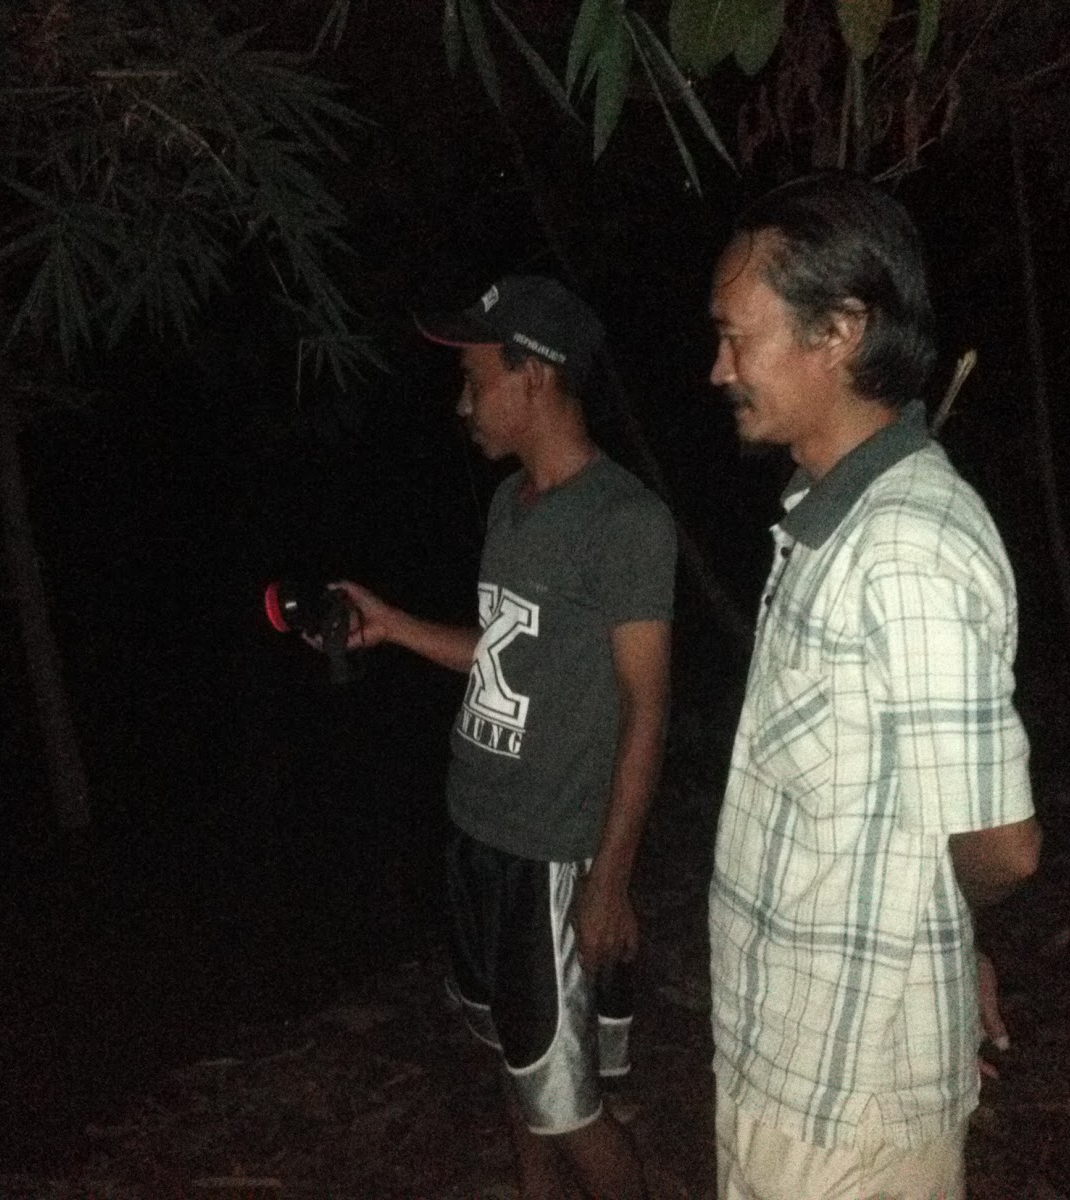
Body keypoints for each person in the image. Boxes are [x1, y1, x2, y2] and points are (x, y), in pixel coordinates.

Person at [705, 173, 1041, 1200]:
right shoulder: (829, 518)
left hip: (845, 1106)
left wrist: (942, 931)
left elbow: (1001, 844)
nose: (718, 368)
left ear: (840, 331)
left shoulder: (906, 546)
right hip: (788, 1068)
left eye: (736, 338)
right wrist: (953, 945)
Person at [333, 275, 676, 1199]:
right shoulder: (510, 507)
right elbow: (501, 652)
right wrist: (394, 626)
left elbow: (646, 706)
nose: (463, 402)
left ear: (531, 376)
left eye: (474, 379)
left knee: (570, 1110)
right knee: (517, 1068)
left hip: (551, 856)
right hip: (478, 834)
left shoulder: (626, 522)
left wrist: (611, 881)